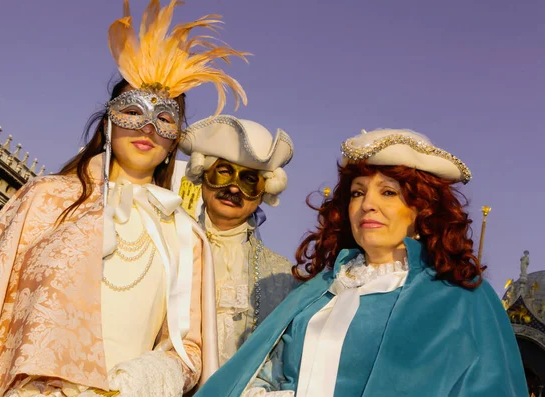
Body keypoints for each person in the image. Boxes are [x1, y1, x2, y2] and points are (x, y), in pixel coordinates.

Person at [0, 0, 248, 396]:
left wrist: (139, 381)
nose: (147, 127)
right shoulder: (44, 199)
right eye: (132, 110)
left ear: (175, 139)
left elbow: (189, 348)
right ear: (109, 120)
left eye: (165, 118)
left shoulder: (186, 235)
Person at [195, 128, 528, 397]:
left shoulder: (464, 298)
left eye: (388, 192)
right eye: (357, 192)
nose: (368, 204)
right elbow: (262, 374)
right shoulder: (317, 292)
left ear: (420, 208)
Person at [176, 115, 298, 365]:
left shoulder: (282, 275)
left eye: (249, 180)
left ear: (262, 193)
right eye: (224, 172)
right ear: (203, 174)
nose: (233, 188)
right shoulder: (168, 247)